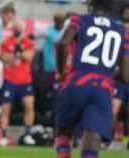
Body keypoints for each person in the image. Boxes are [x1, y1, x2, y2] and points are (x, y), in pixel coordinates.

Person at [55, 0, 129, 158]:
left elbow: (62, 43)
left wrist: (61, 72)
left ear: (90, 4)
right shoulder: (122, 31)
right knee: (93, 134)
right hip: (103, 87)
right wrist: (105, 72)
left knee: (63, 130)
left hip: (78, 80)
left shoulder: (79, 20)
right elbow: (124, 76)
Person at [0, 30, 35, 146]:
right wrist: (15, 53)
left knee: (29, 106)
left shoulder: (28, 42)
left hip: (25, 80)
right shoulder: (6, 42)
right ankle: (3, 136)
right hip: (10, 80)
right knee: (5, 109)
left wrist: (20, 51)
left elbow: (29, 57)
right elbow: (4, 59)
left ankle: (28, 134)